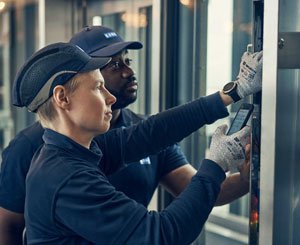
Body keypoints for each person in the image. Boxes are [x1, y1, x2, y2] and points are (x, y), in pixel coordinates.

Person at [0, 26, 262, 244]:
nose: (110, 97)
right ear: (62, 97)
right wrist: (216, 163)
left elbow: (149, 134)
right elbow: (160, 236)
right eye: (98, 88)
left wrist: (233, 92)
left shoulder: (71, 149)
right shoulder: (66, 176)